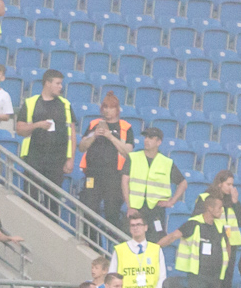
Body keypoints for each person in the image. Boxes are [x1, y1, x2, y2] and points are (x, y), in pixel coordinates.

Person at [13, 69, 75, 206]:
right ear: (47, 83)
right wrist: (36, 125)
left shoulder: (65, 105)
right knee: (30, 196)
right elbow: (20, 129)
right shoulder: (31, 103)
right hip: (34, 157)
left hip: (57, 159)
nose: (61, 87)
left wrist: (70, 159)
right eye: (58, 83)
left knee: (53, 200)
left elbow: (72, 133)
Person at [79, 93, 133, 229]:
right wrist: (94, 136)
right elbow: (81, 147)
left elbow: (128, 152)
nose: (107, 111)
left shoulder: (125, 127)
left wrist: (110, 136)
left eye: (111, 107)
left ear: (117, 109)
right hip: (92, 175)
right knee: (89, 209)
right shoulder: (93, 124)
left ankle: (112, 244)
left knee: (112, 212)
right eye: (105, 107)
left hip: (114, 177)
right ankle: (90, 242)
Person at [121, 126, 185, 241]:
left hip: (156, 209)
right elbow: (124, 181)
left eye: (151, 138)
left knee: (155, 242)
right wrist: (129, 206)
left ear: (158, 142)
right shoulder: (133, 157)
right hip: (136, 208)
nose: (146, 140)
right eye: (145, 137)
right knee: (131, 241)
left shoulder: (166, 162)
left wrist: (172, 201)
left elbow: (183, 183)